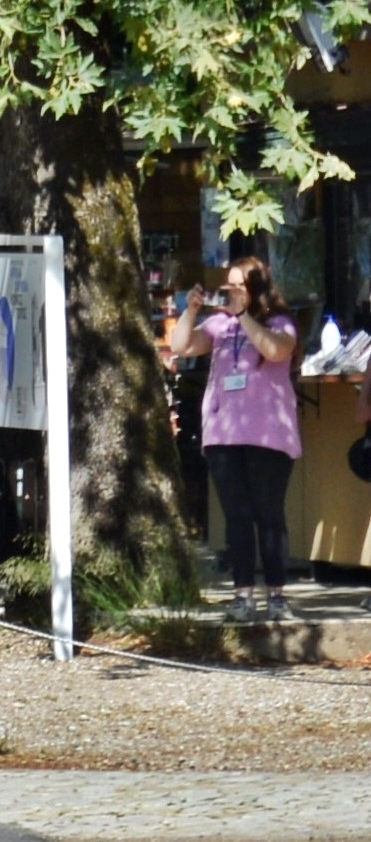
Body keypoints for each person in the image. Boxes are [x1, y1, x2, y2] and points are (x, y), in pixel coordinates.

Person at [167, 256, 302, 622]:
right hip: (224, 434)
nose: (230, 293)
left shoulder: (279, 322)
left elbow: (276, 350)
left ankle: (276, 594)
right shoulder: (219, 325)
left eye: (238, 286)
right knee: (237, 516)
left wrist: (244, 316)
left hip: (268, 435)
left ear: (255, 288)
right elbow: (180, 345)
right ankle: (242, 595)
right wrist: (191, 311)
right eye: (227, 286)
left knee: (268, 514)